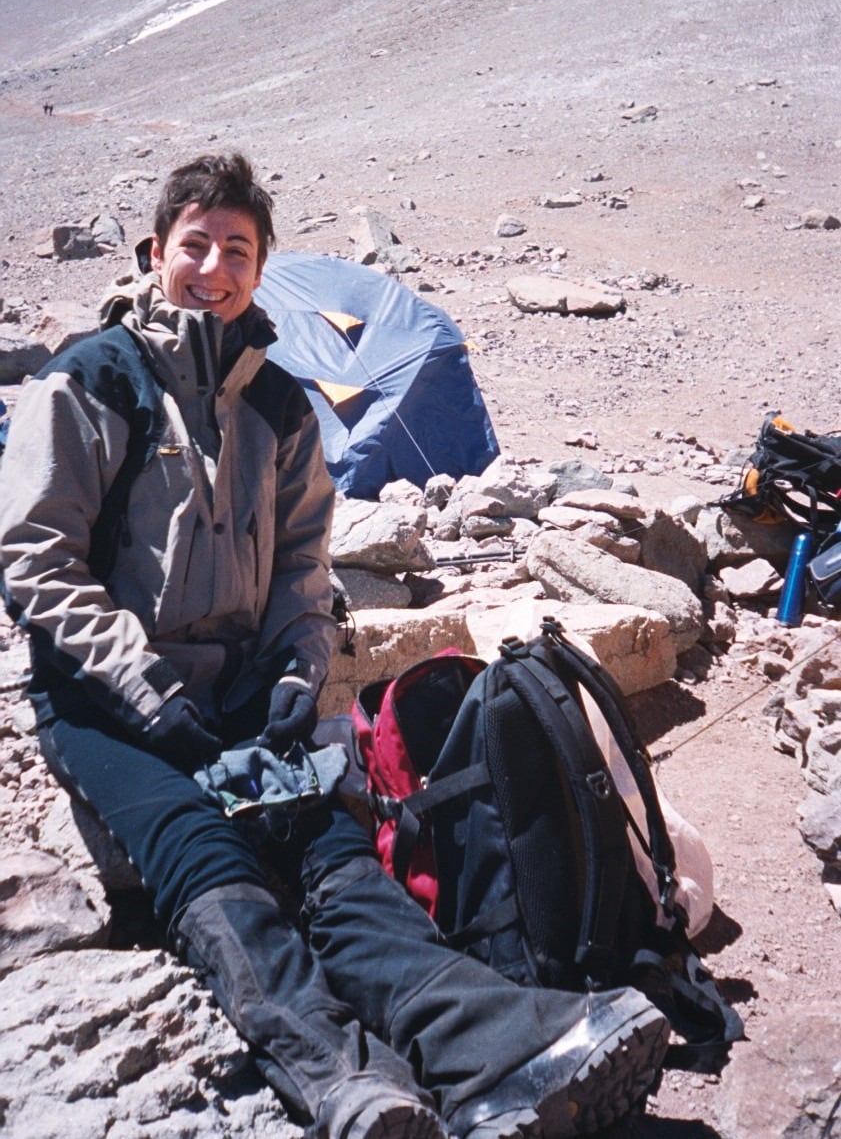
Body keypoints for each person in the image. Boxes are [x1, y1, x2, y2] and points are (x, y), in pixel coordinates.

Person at [0, 153, 670, 1139]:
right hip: (104, 701)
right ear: (156, 254)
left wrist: (292, 679)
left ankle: (492, 1048)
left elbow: (304, 569)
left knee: (331, 848)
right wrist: (147, 692)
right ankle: (342, 1081)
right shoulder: (91, 381)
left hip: (234, 688)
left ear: (261, 270)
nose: (214, 267)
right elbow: (33, 554)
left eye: (237, 249)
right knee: (205, 853)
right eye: (196, 245)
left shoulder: (276, 403)